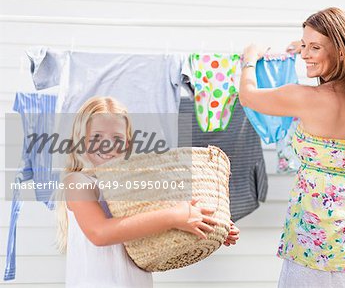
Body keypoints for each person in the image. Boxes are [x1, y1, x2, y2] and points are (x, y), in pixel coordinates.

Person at [239, 7, 345, 287]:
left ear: (341, 52)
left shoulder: (307, 98)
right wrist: (312, 49)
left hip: (316, 245)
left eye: (315, 47)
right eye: (304, 45)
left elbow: (247, 96)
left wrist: (250, 58)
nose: (305, 54)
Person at [53, 96, 239, 288]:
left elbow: (157, 222)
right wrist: (174, 216)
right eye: (97, 137)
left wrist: (208, 222)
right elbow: (99, 233)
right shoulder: (78, 182)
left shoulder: (134, 186)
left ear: (128, 143)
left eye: (117, 138)